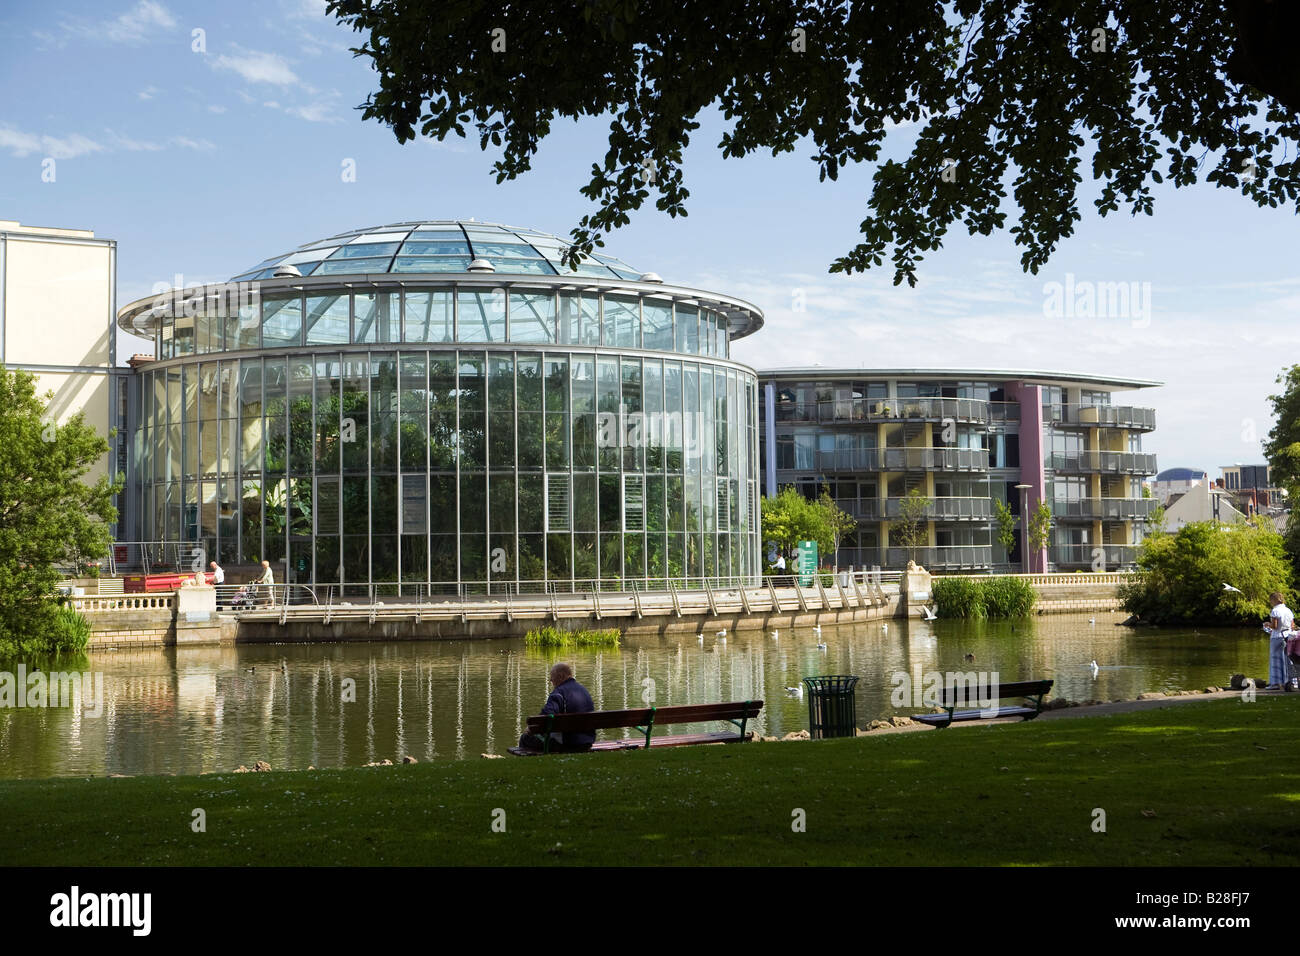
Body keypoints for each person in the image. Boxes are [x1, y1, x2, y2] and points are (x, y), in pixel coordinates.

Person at [517, 662, 595, 754]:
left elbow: (547, 715)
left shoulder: (558, 693)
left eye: (552, 676)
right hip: (586, 742)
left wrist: (532, 728)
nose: (550, 680)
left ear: (561, 676)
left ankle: (534, 764)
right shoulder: (584, 691)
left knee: (525, 738)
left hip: (567, 743)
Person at [1265, 591, 1295, 690]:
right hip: (1289, 636)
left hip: (1277, 637)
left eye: (1271, 600)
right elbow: (1292, 626)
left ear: (1274, 600)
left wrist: (1267, 625)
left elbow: (1275, 626)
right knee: (1288, 660)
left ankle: (1276, 684)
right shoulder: (1288, 610)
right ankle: (1290, 682)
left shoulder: (1275, 611)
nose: (1270, 602)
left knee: (1276, 660)